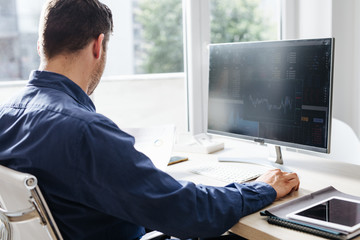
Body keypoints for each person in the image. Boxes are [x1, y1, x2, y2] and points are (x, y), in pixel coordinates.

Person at [0, 0, 300, 239]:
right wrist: (263, 188)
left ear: (42, 46)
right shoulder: (85, 131)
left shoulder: (6, 115)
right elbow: (190, 215)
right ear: (97, 45)